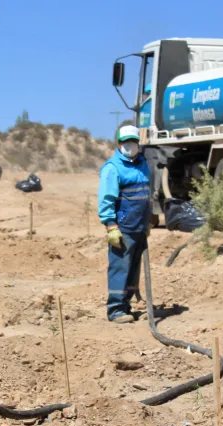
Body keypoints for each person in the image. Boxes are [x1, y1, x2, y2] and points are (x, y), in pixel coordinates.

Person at [98, 125, 151, 324]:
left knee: (134, 270)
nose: (130, 145)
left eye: (133, 142)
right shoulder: (112, 168)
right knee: (120, 268)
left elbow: (146, 193)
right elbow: (106, 199)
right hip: (122, 228)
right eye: (126, 142)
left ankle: (127, 306)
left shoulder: (142, 164)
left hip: (139, 226)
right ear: (119, 144)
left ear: (138, 143)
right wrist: (110, 226)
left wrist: (148, 220)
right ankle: (115, 309)